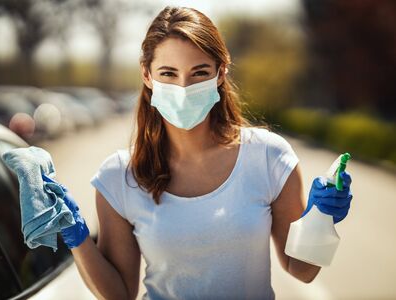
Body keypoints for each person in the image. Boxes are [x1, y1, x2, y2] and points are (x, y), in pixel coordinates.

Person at [43, 6, 353, 300]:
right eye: (168, 73)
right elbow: (119, 294)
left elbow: (302, 271)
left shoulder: (268, 157)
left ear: (221, 73)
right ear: (147, 75)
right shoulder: (119, 177)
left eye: (199, 72)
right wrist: (77, 238)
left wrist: (321, 221)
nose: (183, 87)